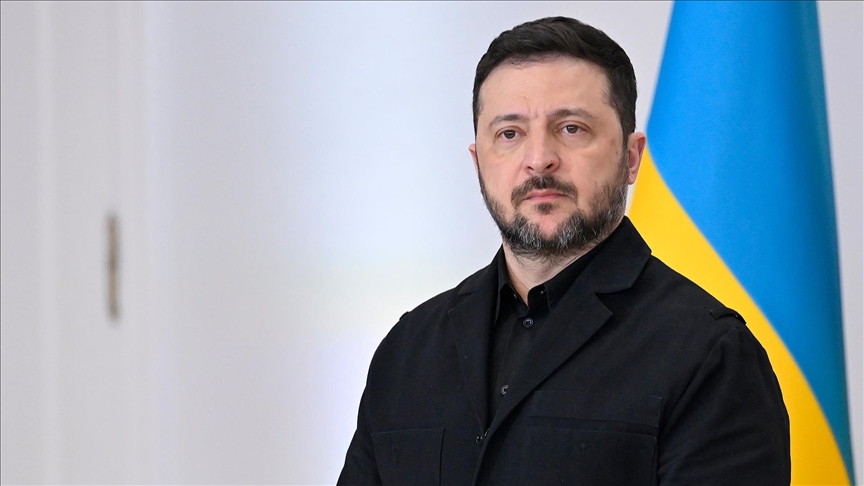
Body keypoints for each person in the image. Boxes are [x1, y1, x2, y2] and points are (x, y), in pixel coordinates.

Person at [338, 16, 790, 485]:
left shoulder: (711, 355)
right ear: (479, 162)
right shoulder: (407, 350)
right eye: (509, 133)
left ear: (631, 157)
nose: (539, 159)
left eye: (571, 128)